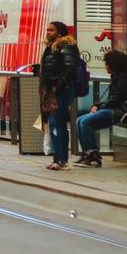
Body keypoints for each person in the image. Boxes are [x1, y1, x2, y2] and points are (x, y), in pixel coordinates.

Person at [75, 50, 127, 167]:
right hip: (117, 110)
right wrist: (98, 106)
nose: (105, 66)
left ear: (114, 65)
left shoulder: (126, 80)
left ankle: (93, 154)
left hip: (123, 112)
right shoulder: (118, 78)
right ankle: (87, 153)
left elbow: (116, 100)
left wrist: (100, 109)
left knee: (85, 122)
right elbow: (112, 99)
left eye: (107, 63)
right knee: (79, 120)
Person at [39, 22, 82, 170]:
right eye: (47, 30)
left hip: (61, 90)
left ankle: (61, 159)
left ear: (59, 32)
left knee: (56, 122)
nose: (48, 32)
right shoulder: (52, 47)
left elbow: (70, 69)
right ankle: (59, 158)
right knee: (57, 123)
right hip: (54, 89)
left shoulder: (65, 47)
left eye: (51, 30)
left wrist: (57, 86)